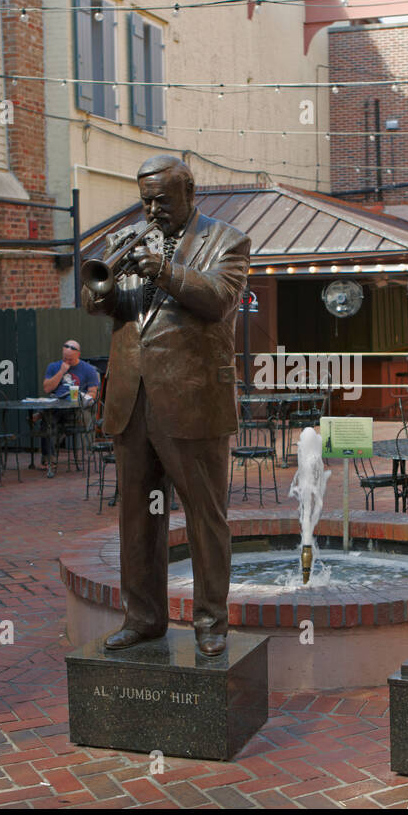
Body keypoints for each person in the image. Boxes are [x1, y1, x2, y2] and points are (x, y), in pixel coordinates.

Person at [81, 155, 250, 657]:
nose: (151, 209)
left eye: (161, 200)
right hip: (133, 399)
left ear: (189, 192)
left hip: (194, 398)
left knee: (204, 516)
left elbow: (219, 299)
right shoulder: (127, 238)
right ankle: (143, 618)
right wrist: (108, 286)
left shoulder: (228, 240)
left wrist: (166, 270)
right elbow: (97, 303)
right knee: (137, 516)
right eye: (145, 200)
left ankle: (211, 623)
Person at [35, 340, 100, 476]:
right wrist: (61, 371)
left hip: (76, 409)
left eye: (70, 359)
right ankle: (49, 461)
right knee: (48, 423)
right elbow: (47, 388)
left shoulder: (88, 370)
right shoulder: (54, 366)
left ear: (78, 355)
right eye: (65, 358)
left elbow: (93, 392)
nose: (67, 361)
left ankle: (40, 413)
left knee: (48, 417)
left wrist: (86, 398)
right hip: (57, 405)